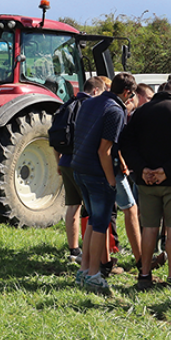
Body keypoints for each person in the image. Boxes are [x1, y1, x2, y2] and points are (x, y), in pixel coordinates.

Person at [120, 77, 171, 290]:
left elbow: (126, 143)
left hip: (146, 182)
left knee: (149, 229)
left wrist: (142, 168)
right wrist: (166, 171)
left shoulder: (142, 112)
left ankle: (144, 274)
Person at [72, 72, 137, 291]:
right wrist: (111, 181)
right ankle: (93, 274)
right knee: (100, 223)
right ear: (127, 92)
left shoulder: (90, 102)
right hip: (96, 172)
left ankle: (84, 271)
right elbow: (104, 150)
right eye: (131, 95)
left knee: (92, 220)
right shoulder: (115, 110)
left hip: (78, 167)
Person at [55, 76, 105, 263]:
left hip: (65, 161)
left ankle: (73, 249)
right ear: (95, 91)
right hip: (83, 164)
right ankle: (92, 252)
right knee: (91, 209)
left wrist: (58, 161)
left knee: (72, 206)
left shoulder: (66, 105)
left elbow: (56, 137)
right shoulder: (90, 107)